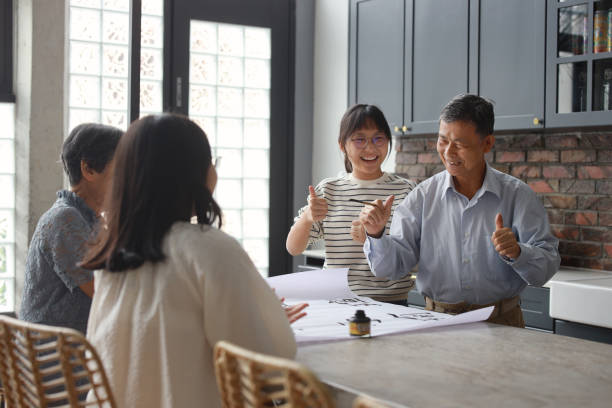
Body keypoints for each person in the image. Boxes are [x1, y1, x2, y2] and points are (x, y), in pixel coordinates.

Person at [81, 114, 303, 408]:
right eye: (211, 162)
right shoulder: (209, 248)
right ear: (194, 174)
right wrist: (263, 318)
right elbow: (267, 367)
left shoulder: (112, 255)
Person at [361, 94, 561, 327]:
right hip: (438, 322)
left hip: (502, 324)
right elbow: (390, 268)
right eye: (443, 140)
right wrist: (376, 234)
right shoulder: (423, 197)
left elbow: (546, 268)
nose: (448, 152)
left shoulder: (518, 196)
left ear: (487, 143)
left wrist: (518, 252)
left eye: (460, 144)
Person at [286, 104, 416, 304]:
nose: (370, 148)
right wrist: (307, 218)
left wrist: (373, 239)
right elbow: (293, 248)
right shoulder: (328, 189)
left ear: (388, 141)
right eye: (359, 139)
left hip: (391, 303)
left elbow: (413, 256)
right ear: (342, 145)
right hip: (337, 302)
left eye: (378, 138)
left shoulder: (406, 191)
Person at [19, 123, 122, 334]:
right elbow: (106, 292)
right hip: (55, 358)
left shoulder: (86, 219)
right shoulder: (65, 219)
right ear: (88, 169)